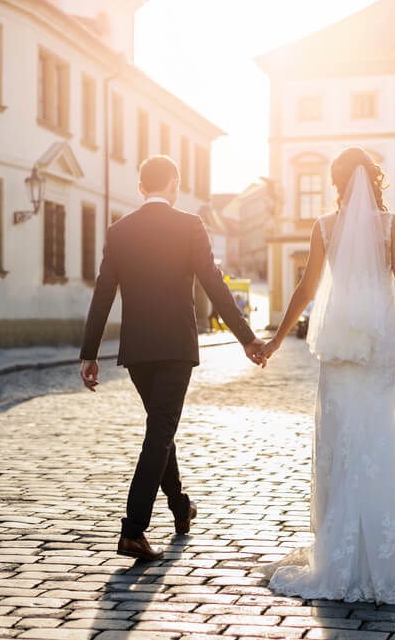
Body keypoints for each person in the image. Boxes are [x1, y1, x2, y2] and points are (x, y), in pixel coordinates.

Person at [256, 147, 395, 604]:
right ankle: (379, 559)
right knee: (379, 436)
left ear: (336, 183)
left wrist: (276, 340)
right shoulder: (391, 226)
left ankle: (337, 550)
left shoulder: (324, 226)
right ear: (374, 181)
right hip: (379, 342)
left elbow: (306, 288)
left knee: (340, 440)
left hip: (338, 340)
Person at [78, 155, 267, 561]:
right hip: (176, 347)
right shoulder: (189, 225)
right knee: (160, 432)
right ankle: (133, 529)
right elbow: (214, 284)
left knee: (160, 430)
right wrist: (246, 337)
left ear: (141, 187)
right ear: (175, 184)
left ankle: (180, 507)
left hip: (138, 350)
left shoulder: (119, 231)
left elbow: (103, 292)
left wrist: (89, 352)